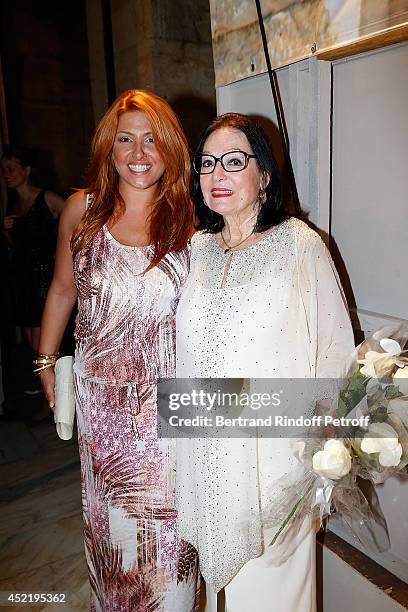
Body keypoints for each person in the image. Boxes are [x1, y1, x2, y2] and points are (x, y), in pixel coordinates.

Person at [175, 113, 355, 612]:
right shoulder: (197, 248)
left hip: (274, 463)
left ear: (266, 175)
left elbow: (336, 347)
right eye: (207, 164)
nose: (217, 175)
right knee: (220, 597)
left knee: (273, 594)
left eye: (235, 161)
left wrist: (327, 445)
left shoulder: (299, 244)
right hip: (205, 453)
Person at [37, 90, 200, 610]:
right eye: (126, 139)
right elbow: (63, 290)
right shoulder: (82, 211)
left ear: (171, 149)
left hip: (167, 417)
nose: (138, 152)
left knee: (170, 553)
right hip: (102, 414)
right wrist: (44, 361)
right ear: (109, 149)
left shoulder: (191, 220)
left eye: (152, 139)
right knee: (114, 549)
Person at [1, 147, 64, 356]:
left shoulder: (46, 198)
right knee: (29, 335)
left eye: (11, 168)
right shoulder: (13, 204)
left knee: (42, 336)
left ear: (27, 170)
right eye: (3, 170)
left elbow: (79, 221)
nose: (6, 174)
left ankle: (51, 384)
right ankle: (44, 384)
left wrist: (64, 252)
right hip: (21, 275)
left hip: (44, 275)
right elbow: (14, 244)